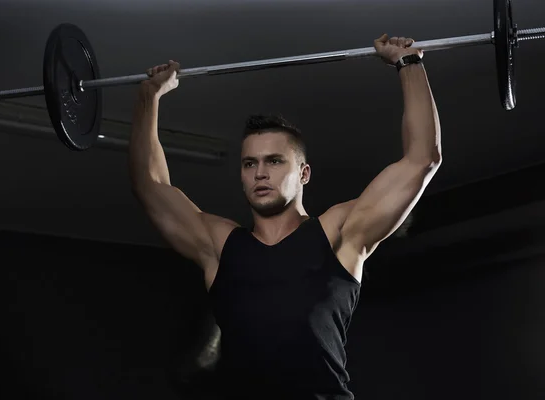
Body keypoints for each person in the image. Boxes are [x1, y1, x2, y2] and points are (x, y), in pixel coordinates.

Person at [129, 34, 442, 399]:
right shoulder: (220, 245)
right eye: (250, 164)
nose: (260, 173)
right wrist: (148, 98)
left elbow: (422, 158)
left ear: (304, 173)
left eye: (274, 161)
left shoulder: (339, 233)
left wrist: (409, 64)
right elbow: (149, 185)